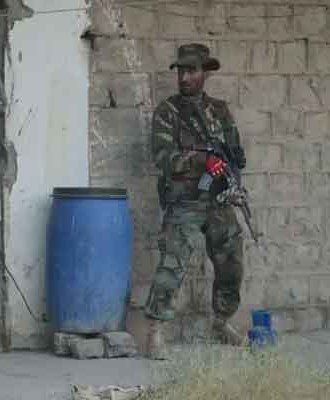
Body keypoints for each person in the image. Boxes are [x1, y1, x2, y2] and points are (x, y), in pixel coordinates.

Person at [144, 44, 248, 359]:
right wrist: (202, 160)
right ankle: (155, 332)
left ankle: (221, 322)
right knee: (172, 265)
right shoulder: (168, 112)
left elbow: (234, 156)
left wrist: (233, 183)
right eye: (181, 71)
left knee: (232, 262)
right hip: (185, 201)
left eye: (191, 71)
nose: (184, 77)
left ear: (206, 73)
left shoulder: (220, 111)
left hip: (218, 199)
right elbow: (163, 158)